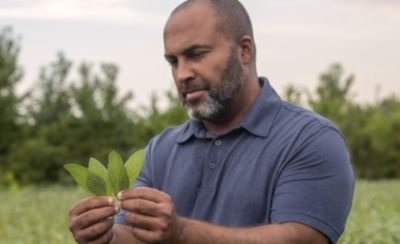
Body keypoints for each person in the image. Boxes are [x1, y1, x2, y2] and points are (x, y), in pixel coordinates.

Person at [68, 0, 355, 243]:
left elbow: (299, 239)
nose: (182, 74)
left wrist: (181, 232)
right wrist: (104, 236)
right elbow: (132, 233)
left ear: (245, 51)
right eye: (173, 61)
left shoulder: (310, 139)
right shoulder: (162, 149)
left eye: (196, 54)